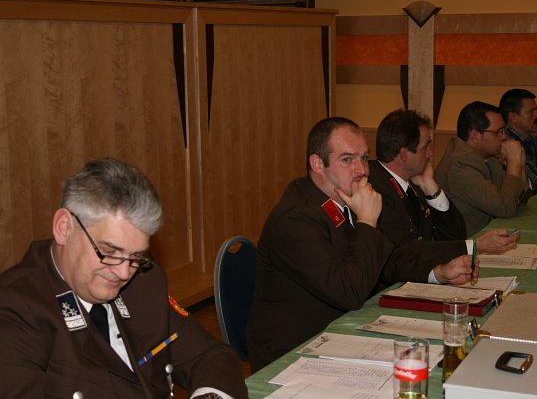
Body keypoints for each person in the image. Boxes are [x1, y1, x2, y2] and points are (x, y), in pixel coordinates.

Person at [0, 158, 247, 399]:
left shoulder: (144, 282)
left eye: (137, 256)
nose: (124, 273)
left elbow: (211, 357)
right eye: (109, 252)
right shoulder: (13, 310)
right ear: (64, 227)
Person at [247, 117, 478, 372]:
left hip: (338, 332)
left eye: (364, 157)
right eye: (347, 160)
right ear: (318, 164)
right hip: (292, 353)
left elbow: (388, 259)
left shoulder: (342, 196)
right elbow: (349, 292)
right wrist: (367, 220)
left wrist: (438, 272)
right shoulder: (295, 219)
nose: (362, 170)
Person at [369, 108, 519, 260]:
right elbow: (407, 251)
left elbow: (456, 234)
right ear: (403, 154)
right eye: (425, 147)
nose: (430, 153)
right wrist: (475, 246)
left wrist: (431, 187)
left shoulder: (414, 181)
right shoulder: (375, 190)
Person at [435, 101, 532, 236]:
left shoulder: (487, 157)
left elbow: (520, 199)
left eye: (504, 130)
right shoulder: (461, 165)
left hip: (488, 234)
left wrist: (520, 165)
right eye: (498, 131)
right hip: (469, 242)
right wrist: (513, 162)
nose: (504, 136)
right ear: (475, 135)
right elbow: (505, 208)